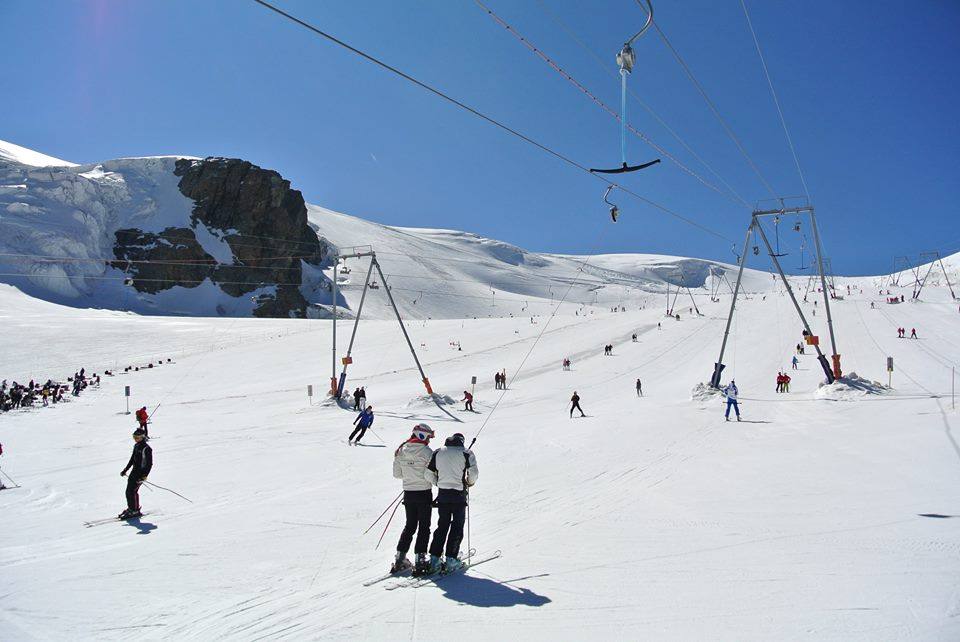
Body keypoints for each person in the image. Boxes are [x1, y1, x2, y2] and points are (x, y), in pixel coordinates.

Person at [425, 432, 478, 573]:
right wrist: (469, 483)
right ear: (462, 441)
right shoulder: (466, 453)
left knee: (442, 525)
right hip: (458, 495)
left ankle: (434, 559)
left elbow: (428, 473)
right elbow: (473, 473)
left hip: (443, 494)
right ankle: (451, 558)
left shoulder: (438, 452)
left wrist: (439, 483)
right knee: (457, 526)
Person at [391, 424, 435, 575]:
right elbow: (431, 474)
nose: (429, 440)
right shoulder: (427, 452)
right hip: (424, 493)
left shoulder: (401, 450)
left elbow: (397, 474)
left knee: (409, 526)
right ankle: (420, 559)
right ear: (422, 435)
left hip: (408, 492)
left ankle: (399, 559)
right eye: (428, 436)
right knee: (424, 527)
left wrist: (410, 476)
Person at [119, 427, 152, 519]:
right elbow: (132, 459)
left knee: (133, 491)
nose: (135, 439)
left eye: (137, 437)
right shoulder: (137, 446)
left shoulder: (147, 448)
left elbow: (149, 464)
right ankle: (131, 508)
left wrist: (144, 476)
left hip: (140, 474)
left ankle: (135, 510)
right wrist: (126, 469)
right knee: (128, 491)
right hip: (134, 472)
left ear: (142, 437)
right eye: (134, 437)